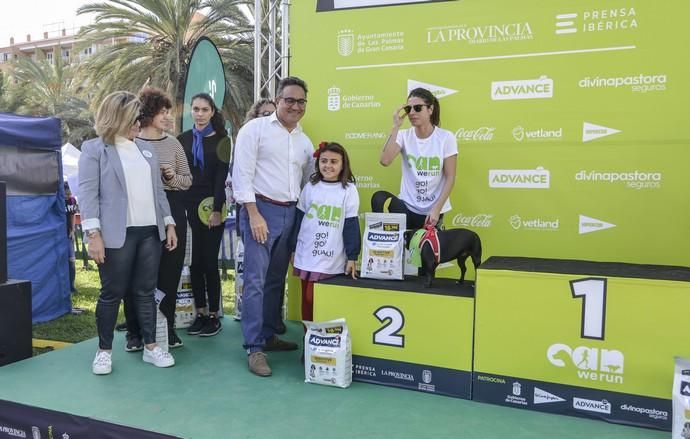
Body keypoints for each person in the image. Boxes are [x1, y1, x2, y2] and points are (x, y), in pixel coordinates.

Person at [79, 91, 178, 375]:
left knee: (145, 292)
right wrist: (93, 235)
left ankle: (150, 347)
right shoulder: (94, 149)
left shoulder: (145, 150)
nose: (139, 122)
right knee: (112, 292)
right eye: (135, 117)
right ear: (119, 117)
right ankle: (104, 351)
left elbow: (158, 191)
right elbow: (88, 195)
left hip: (150, 232)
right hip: (115, 235)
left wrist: (169, 222)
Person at [233, 76, 314, 377]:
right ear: (278, 100)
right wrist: (253, 213)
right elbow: (242, 175)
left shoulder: (304, 142)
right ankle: (254, 348)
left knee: (276, 280)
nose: (295, 106)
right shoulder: (254, 130)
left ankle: (268, 334)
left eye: (301, 101)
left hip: (290, 213)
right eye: (289, 100)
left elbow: (306, 183)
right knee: (255, 281)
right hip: (260, 210)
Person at [134, 86, 192, 349]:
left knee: (170, 273)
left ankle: (167, 328)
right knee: (142, 274)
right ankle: (136, 332)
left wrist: (171, 178)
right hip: (143, 213)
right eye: (162, 112)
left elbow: (187, 180)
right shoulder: (132, 143)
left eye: (169, 112)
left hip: (174, 209)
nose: (168, 117)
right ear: (148, 113)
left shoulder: (174, 143)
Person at [177, 93, 230, 337]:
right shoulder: (182, 139)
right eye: (195, 109)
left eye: (204, 109)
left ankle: (213, 315)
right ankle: (199, 313)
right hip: (188, 206)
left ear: (212, 112)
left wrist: (217, 210)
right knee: (194, 263)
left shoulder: (222, 140)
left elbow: (221, 179)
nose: (199, 114)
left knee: (209, 263)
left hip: (212, 207)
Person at [292, 141, 361, 329]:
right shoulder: (310, 187)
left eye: (333, 161)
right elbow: (298, 219)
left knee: (319, 299)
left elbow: (351, 225)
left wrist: (352, 256)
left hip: (332, 256)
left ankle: (325, 342)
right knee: (306, 300)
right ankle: (309, 339)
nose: (328, 166)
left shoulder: (349, 190)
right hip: (307, 252)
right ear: (318, 163)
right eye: (324, 161)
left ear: (343, 164)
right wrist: (292, 249)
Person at [374, 87, 458, 229]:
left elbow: (450, 177)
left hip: (432, 211)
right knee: (378, 197)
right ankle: (386, 243)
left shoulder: (445, 137)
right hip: (406, 207)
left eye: (418, 108)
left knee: (423, 250)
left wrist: (437, 209)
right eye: (408, 109)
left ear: (430, 109)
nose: (412, 113)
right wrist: (395, 127)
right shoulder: (403, 135)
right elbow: (385, 160)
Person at [64, 182, 78, 293]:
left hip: (68, 233)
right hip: (58, 233)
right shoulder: (57, 199)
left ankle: (71, 286)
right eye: (66, 194)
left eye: (69, 194)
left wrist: (73, 230)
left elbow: (72, 215)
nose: (68, 196)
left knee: (72, 260)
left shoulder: (72, 200)